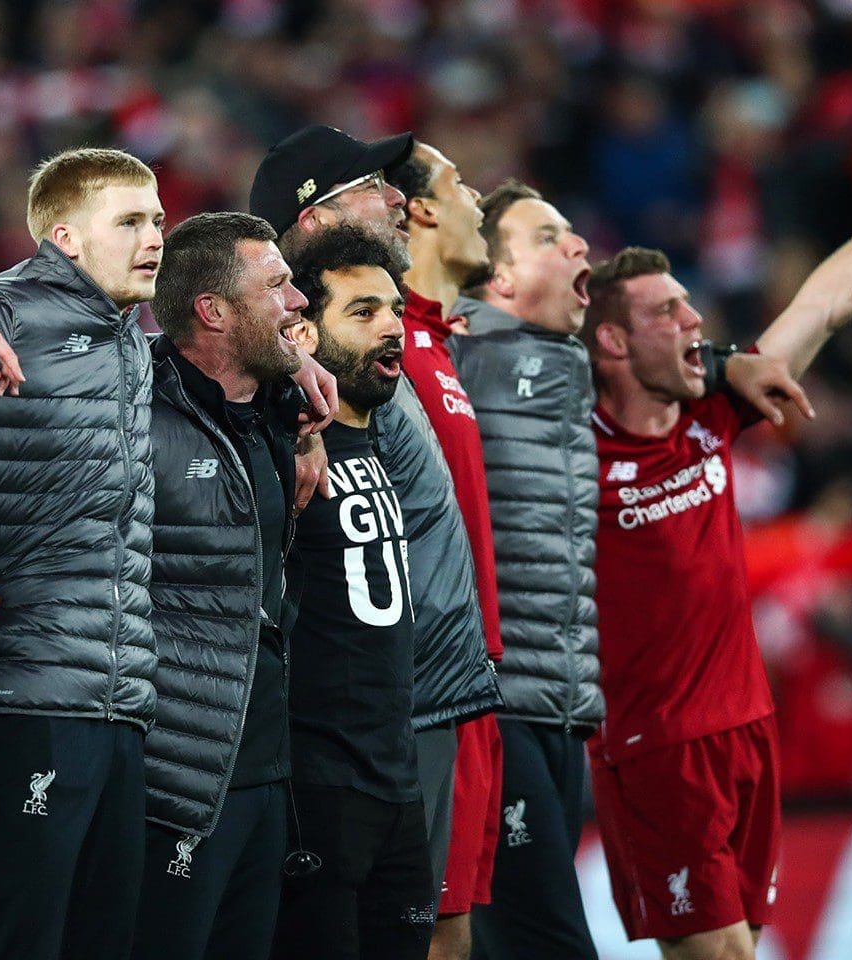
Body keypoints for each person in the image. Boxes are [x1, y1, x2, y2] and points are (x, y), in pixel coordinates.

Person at [581, 142, 852, 960]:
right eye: (665, 313)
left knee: (746, 944)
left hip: (747, 729)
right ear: (611, 343)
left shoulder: (716, 416)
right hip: (656, 747)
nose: (695, 321)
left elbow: (831, 302)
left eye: (689, 305)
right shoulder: (568, 452)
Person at [251, 125, 499, 906]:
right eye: (372, 186)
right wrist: (294, 394)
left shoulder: (403, 338)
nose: (398, 196)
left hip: (439, 689)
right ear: (316, 220)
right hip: (380, 709)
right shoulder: (310, 374)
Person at [0, 147, 162, 960]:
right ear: (65, 236)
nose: (155, 235)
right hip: (23, 695)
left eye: (158, 219)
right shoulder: (0, 313)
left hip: (121, 699)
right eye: (130, 221)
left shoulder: (137, 343)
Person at [130, 212, 330, 960]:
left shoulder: (278, 412)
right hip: (176, 781)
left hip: (269, 771)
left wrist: (304, 424)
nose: (298, 301)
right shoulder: (131, 408)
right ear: (212, 310)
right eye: (276, 285)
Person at [272, 223, 436, 960]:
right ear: (304, 331)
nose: (392, 329)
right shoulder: (276, 450)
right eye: (364, 312)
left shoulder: (377, 442)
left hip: (397, 782)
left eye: (395, 310)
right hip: (317, 786)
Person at [450, 179, 603, 960]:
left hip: (562, 709)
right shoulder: (455, 350)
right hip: (496, 705)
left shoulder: (567, 362)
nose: (579, 246)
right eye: (548, 237)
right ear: (496, 276)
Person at [388, 142, 504, 960]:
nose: (478, 202)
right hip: (426, 686)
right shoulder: (384, 344)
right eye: (461, 184)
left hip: (471, 681)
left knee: (455, 933)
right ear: (422, 209)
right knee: (432, 937)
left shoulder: (438, 341)